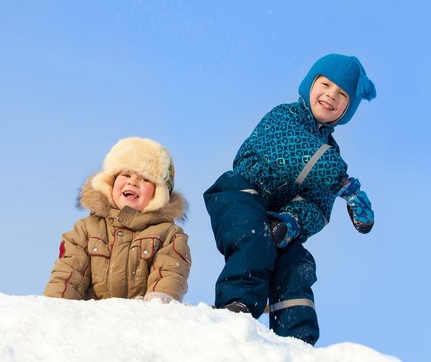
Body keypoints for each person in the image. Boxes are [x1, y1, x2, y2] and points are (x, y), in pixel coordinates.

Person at [203, 54, 376, 344]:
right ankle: (236, 307)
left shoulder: (331, 153)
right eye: (326, 84)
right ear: (310, 84)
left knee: (298, 262)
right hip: (241, 193)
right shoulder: (284, 117)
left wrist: (292, 222)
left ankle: (297, 339)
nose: (331, 95)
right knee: (254, 237)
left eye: (342, 94)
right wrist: (345, 185)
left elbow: (319, 207)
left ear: (347, 109)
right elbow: (298, 154)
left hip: (275, 215)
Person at [44, 137, 191, 303]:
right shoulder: (86, 230)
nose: (132, 182)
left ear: (159, 193)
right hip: (92, 319)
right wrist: (57, 303)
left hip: (142, 320)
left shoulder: (169, 235)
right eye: (125, 174)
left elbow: (169, 272)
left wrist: (159, 301)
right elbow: (69, 273)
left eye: (144, 178)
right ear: (110, 183)